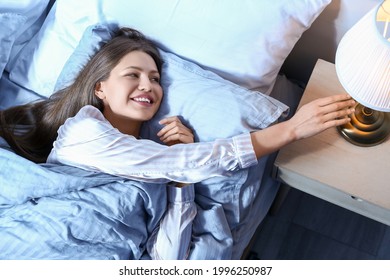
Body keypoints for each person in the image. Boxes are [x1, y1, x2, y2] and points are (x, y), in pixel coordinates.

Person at [0, 27, 355, 259]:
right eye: (132, 75)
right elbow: (182, 164)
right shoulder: (83, 132)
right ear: (100, 88)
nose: (148, 86)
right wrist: (289, 131)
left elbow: (167, 258)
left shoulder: (158, 171)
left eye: (155, 78)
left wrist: (181, 183)